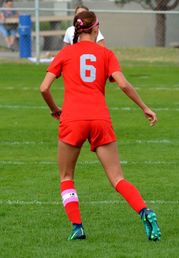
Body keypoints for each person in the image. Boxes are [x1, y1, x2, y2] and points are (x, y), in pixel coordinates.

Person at [39, 11, 160, 241]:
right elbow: (123, 84)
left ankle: (77, 227)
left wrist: (55, 109)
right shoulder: (106, 54)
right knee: (117, 178)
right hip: (100, 119)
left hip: (72, 119)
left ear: (77, 30)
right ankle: (145, 211)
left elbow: (44, 88)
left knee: (66, 177)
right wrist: (144, 107)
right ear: (96, 28)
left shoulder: (65, 53)